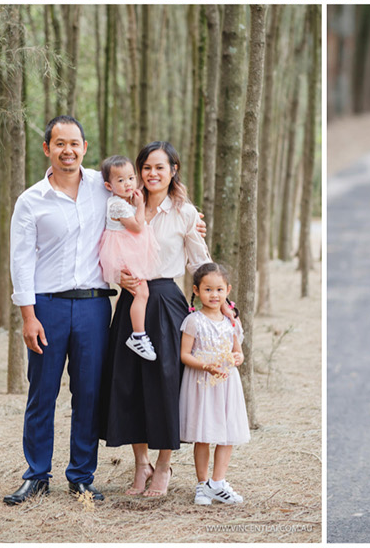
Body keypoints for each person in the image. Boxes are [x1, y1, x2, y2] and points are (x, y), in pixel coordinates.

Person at [6, 117, 116, 504]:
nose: (67, 150)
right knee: (43, 394)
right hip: (47, 308)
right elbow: (20, 261)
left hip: (94, 307)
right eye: (59, 143)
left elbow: (143, 203)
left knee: (88, 394)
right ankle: (36, 475)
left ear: (85, 147)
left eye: (74, 143)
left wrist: (189, 220)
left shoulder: (103, 189)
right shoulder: (31, 200)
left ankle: (82, 476)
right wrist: (28, 315)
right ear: (47, 149)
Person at [98, 140, 213, 498]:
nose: (151, 174)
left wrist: (220, 301)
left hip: (165, 300)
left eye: (159, 167)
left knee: (166, 384)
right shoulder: (124, 202)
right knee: (129, 383)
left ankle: (163, 465)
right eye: (146, 167)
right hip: (132, 299)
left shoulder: (185, 213)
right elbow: (110, 246)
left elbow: (198, 260)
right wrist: (119, 277)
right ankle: (140, 463)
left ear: (173, 170)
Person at [179, 261, 249, 505]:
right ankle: (202, 485)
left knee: (227, 434)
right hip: (202, 382)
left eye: (219, 289)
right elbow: (185, 354)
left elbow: (237, 352)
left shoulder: (231, 322)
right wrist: (206, 366)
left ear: (227, 290)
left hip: (226, 382)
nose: (214, 295)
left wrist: (237, 358)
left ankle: (217, 482)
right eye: (208, 289)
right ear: (197, 291)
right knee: (203, 434)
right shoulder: (193, 321)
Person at [96, 154, 160, 361]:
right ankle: (138, 335)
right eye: (120, 180)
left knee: (136, 292)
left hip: (126, 249)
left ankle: (132, 330)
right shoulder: (117, 205)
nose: (128, 184)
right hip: (123, 252)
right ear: (108, 185)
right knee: (142, 293)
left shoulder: (123, 202)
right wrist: (140, 206)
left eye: (131, 178)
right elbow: (137, 226)